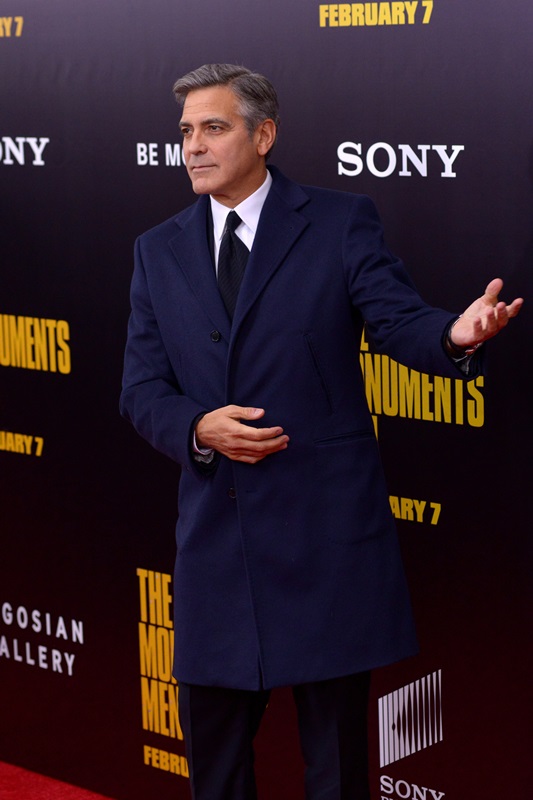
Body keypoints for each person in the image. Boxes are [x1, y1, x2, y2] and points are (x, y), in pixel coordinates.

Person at [120, 64, 523, 800]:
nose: (193, 146)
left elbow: (398, 321)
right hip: (217, 550)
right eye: (185, 131)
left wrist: (455, 336)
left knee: (336, 772)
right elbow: (141, 389)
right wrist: (198, 427)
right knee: (216, 774)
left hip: (325, 544)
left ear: (263, 135)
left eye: (214, 128)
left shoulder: (339, 221)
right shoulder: (157, 249)